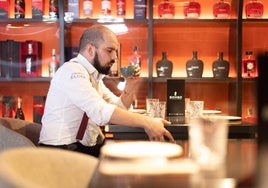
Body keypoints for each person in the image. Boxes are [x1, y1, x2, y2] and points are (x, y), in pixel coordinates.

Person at [39, 25, 174, 157]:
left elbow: (118, 107)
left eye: (116, 51)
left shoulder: (93, 77)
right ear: (90, 50)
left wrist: (130, 85)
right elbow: (101, 112)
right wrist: (148, 122)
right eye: (109, 51)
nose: (115, 57)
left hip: (83, 147)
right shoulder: (72, 71)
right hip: (61, 152)